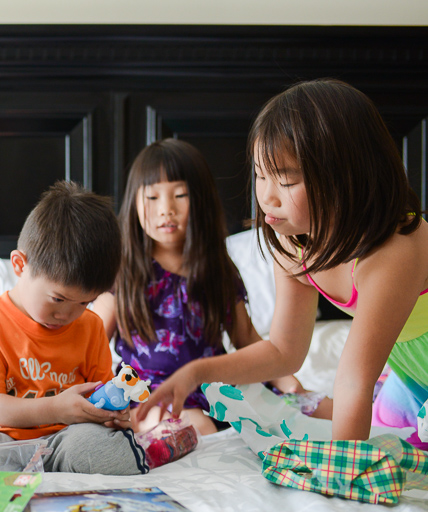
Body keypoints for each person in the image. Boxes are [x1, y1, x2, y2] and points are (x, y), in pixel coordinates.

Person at [138, 79, 428, 446]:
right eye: (260, 175)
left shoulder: (395, 248)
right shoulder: (292, 244)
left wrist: (338, 477)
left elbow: (355, 378)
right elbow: (283, 352)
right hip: (412, 378)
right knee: (393, 440)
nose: (266, 197)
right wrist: (195, 372)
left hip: (403, 373)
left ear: (344, 178)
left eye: (287, 182)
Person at [93, 139, 303, 435]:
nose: (166, 209)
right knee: (195, 428)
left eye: (180, 195)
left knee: (303, 412)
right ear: (134, 204)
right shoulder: (122, 271)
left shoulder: (217, 269)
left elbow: (247, 339)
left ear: (201, 200)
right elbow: (91, 342)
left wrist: (290, 383)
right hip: (147, 394)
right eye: (152, 198)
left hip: (212, 389)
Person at [0, 181, 149, 475]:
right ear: (20, 265)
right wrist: (56, 408)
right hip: (9, 443)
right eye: (58, 298)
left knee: (111, 447)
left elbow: (100, 394)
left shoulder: (91, 326)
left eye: (85, 302)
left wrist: (114, 413)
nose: (67, 314)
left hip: (71, 437)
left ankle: (60, 466)